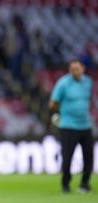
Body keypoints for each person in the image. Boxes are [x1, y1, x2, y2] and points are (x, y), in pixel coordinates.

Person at [49, 60, 93, 193]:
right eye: (72, 69)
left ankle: (84, 184)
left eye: (77, 68)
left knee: (89, 157)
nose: (75, 71)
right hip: (68, 126)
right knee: (67, 157)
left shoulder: (88, 82)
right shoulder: (63, 83)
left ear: (83, 69)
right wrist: (60, 114)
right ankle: (66, 184)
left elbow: (88, 100)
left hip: (85, 125)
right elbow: (53, 103)